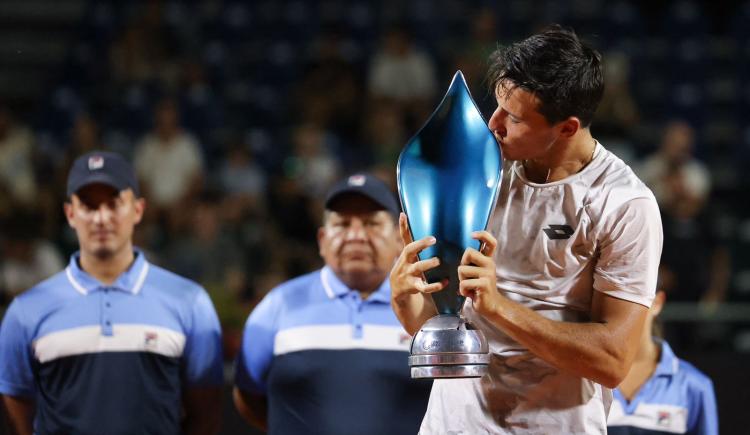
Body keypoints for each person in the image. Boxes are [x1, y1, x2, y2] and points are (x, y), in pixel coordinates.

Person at [390, 25, 663, 433]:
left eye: (513, 118)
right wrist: (406, 298)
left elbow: (612, 362)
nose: (493, 123)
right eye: (496, 106)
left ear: (567, 128)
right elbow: (439, 331)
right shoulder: (477, 171)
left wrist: (499, 308)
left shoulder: (624, 203)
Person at [0, 151, 223, 435]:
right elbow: (17, 422)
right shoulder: (26, 311)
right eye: (89, 206)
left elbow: (206, 417)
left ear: (138, 210)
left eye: (114, 204)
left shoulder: (190, 302)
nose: (101, 218)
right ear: (70, 214)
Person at [233, 173, 432, 434]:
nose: (357, 235)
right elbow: (247, 395)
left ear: (399, 239)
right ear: (322, 240)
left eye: (372, 223)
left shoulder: (426, 310)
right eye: (343, 224)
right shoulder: (278, 305)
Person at [607, 290, 718, 434]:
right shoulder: (583, 379)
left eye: (633, 294)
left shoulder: (695, 385)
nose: (623, 307)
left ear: (657, 302)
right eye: (613, 296)